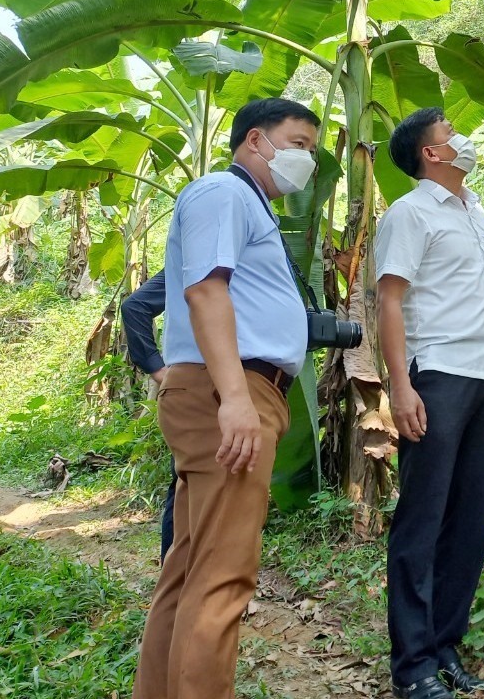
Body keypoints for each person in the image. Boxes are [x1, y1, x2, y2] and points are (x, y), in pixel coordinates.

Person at [132, 97, 321, 699]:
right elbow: (206, 293)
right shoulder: (223, 191)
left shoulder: (247, 205)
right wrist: (236, 399)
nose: (306, 159)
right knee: (221, 579)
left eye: (312, 149)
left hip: (225, 389)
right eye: (297, 143)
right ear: (254, 142)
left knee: (189, 570)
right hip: (229, 391)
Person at [375, 107, 484, 698]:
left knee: (470, 519)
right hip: (436, 376)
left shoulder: (475, 211)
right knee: (423, 518)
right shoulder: (410, 214)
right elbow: (391, 302)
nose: (462, 142)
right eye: (450, 136)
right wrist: (399, 384)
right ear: (432, 155)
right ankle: (412, 668)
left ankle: (445, 647)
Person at [119, 270, 176, 560]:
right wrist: (158, 369)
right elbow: (134, 307)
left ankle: (177, 584)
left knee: (185, 487)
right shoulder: (193, 262)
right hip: (196, 391)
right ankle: (177, 584)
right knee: (185, 487)